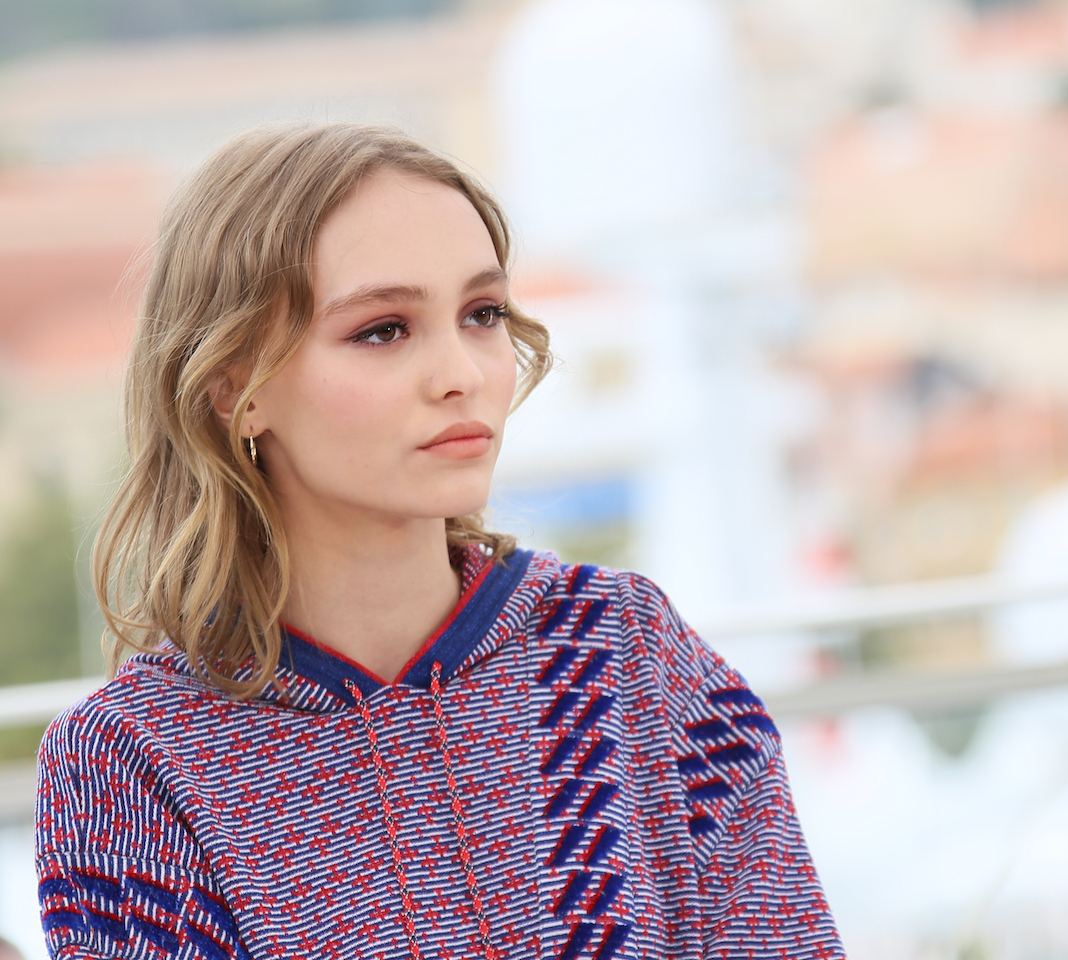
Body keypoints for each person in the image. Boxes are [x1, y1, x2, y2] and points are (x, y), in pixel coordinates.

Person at [35, 122, 844, 959]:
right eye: (383, 329)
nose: (461, 371)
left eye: (482, 313)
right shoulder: (131, 762)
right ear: (235, 390)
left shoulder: (629, 649)